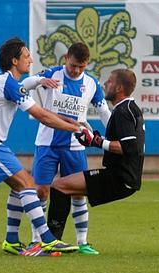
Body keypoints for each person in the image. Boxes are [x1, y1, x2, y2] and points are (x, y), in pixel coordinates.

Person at [0, 37, 89, 256]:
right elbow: (41, 116)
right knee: (28, 184)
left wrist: (69, 122)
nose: (30, 60)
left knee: (18, 186)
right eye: (27, 56)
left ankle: (11, 240)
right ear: (14, 60)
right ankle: (47, 239)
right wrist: (76, 130)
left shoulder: (4, 81)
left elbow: (44, 110)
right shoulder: (9, 84)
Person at [24, 42, 111, 254]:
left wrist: (117, 135)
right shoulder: (53, 74)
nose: (76, 70)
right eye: (73, 65)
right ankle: (38, 240)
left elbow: (104, 112)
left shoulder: (91, 83)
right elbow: (24, 85)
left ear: (87, 64)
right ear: (66, 59)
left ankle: (82, 242)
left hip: (75, 146)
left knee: (79, 193)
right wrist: (38, 80)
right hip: (47, 143)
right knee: (41, 191)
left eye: (81, 67)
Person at [52, 69, 144, 222]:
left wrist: (96, 141)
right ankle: (61, 242)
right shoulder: (128, 108)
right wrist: (93, 139)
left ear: (119, 88)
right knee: (64, 186)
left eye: (110, 81)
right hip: (122, 177)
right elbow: (121, 143)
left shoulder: (123, 111)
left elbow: (128, 147)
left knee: (59, 186)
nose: (105, 83)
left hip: (120, 178)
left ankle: (51, 242)